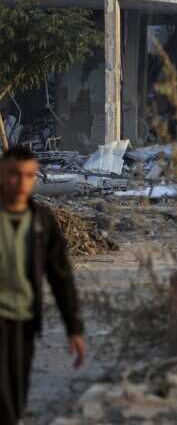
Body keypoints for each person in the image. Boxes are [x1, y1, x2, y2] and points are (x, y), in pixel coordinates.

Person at [0, 147, 86, 425]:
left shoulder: (42, 222)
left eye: (28, 175)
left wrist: (74, 328)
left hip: (24, 320)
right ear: (3, 174)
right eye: (14, 174)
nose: (21, 182)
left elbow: (61, 276)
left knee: (18, 387)